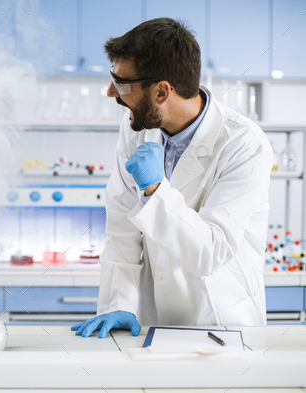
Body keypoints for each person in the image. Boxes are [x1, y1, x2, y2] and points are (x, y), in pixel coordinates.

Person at [72, 18, 272, 338]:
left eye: (123, 84)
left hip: (220, 321)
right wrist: (119, 301)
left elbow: (211, 252)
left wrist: (155, 190)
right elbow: (122, 226)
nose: (112, 92)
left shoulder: (245, 145)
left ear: (162, 91)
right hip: (153, 319)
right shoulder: (136, 127)